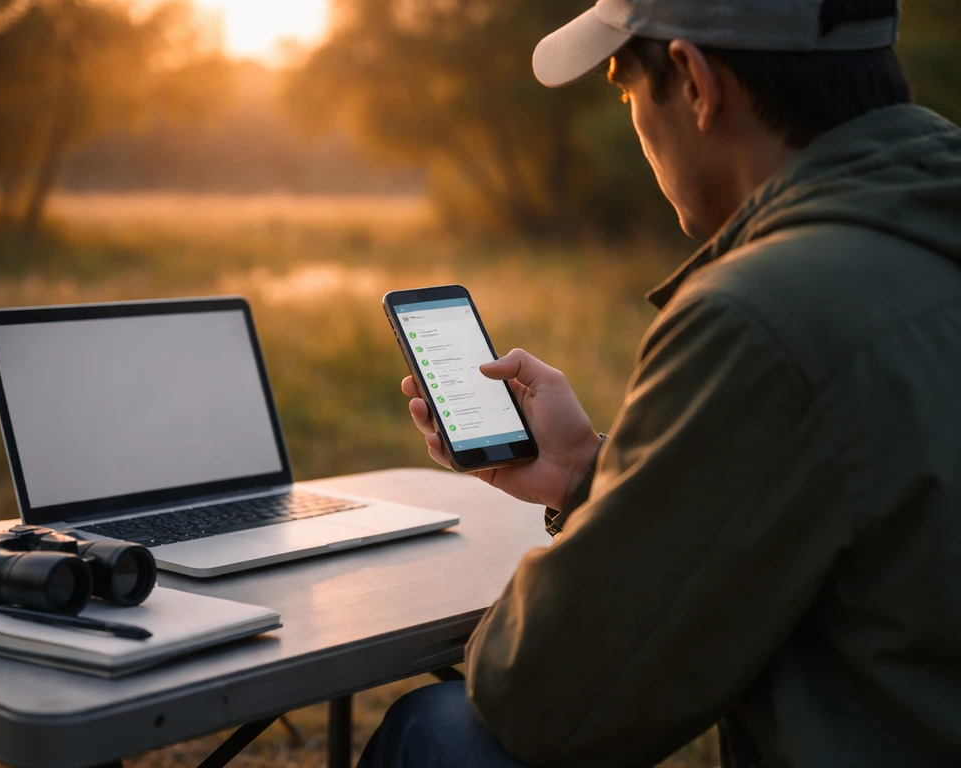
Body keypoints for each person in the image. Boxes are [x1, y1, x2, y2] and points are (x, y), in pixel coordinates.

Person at [359, 0, 961, 766]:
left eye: (623, 87)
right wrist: (585, 474)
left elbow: (543, 693)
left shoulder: (764, 311)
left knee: (441, 734)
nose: (633, 119)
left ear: (694, 82)